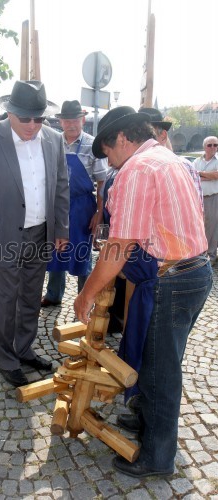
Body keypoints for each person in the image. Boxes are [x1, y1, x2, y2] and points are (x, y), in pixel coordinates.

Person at [74, 106, 212, 478]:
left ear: (121, 138)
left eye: (110, 153)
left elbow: (118, 246)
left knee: (161, 369)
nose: (112, 163)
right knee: (158, 360)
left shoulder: (138, 168)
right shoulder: (174, 160)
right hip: (195, 270)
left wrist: (86, 294)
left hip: (173, 277)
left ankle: (158, 457)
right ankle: (148, 421)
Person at [0, 80, 69, 387]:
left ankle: (24, 349)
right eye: (26, 117)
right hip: (2, 235)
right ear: (10, 113)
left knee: (30, 296)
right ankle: (6, 360)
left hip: (41, 232)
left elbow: (61, 185)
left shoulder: (54, 139)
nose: (33, 124)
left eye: (39, 118)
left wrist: (61, 228)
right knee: (3, 298)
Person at [41, 100, 107, 307]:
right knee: (55, 250)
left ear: (83, 120)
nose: (71, 124)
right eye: (67, 120)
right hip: (56, 205)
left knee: (82, 251)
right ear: (60, 122)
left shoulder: (93, 144)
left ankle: (84, 297)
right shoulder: (51, 142)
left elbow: (102, 181)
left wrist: (99, 212)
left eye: (75, 120)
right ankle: (53, 294)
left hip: (82, 207)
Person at [193, 136, 218, 265]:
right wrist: (210, 175)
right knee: (199, 226)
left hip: (213, 197)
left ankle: (211, 256)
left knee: (212, 227)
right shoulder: (197, 160)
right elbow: (191, 176)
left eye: (215, 145)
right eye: (210, 145)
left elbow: (216, 175)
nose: (213, 147)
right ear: (204, 147)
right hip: (197, 198)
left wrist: (199, 174)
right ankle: (200, 253)